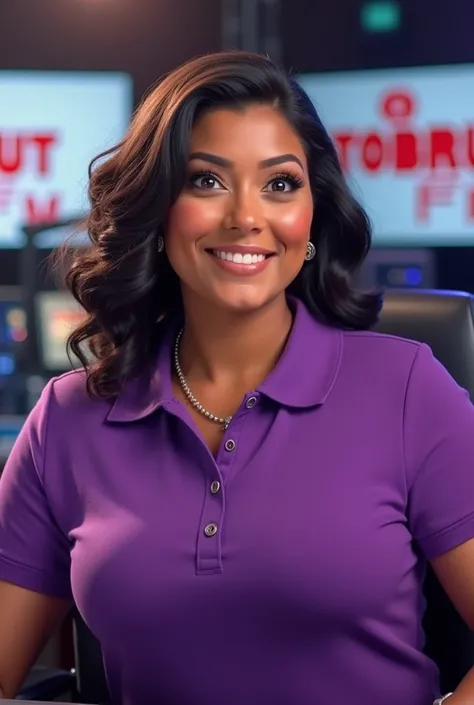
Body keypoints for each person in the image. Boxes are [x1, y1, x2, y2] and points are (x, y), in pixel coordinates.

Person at [0, 51, 474, 705]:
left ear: (312, 213)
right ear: (158, 211)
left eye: (279, 184)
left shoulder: (406, 388)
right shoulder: (67, 419)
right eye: (205, 181)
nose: (246, 216)